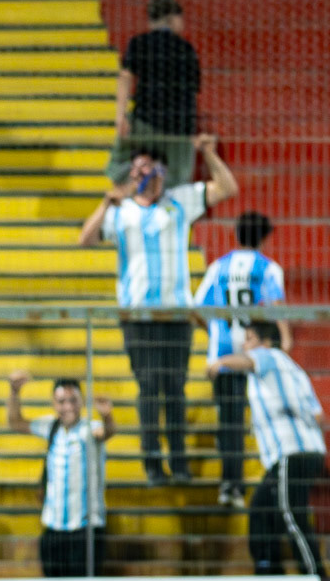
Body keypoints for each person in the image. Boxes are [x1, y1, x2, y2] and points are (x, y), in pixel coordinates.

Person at [79, 136, 238, 484]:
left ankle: (178, 463)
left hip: (177, 316)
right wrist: (106, 203)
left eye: (147, 168)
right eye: (136, 169)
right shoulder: (121, 212)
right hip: (138, 318)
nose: (140, 175)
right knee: (149, 388)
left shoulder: (180, 201)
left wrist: (208, 153)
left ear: (162, 171)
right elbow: (85, 239)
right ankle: (152, 463)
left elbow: (227, 188)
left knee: (175, 389)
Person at [209, 323, 325, 576]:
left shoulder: (270, 356)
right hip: (305, 451)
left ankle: (317, 580)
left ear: (266, 342)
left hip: (290, 451)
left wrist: (219, 363)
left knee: (291, 515)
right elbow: (319, 416)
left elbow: (247, 361)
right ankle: (270, 574)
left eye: (249, 339)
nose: (244, 345)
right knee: (261, 509)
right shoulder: (293, 370)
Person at [195, 212, 290, 508]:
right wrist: (285, 339)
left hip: (223, 355)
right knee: (266, 415)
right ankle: (274, 484)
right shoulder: (268, 268)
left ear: (236, 234)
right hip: (256, 353)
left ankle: (231, 487)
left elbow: (197, 306)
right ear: (264, 238)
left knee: (231, 422)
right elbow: (275, 306)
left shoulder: (218, 267)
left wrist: (214, 331)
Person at [7, 373, 116, 578]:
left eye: (73, 400)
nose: (68, 407)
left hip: (85, 530)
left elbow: (107, 432)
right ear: (53, 403)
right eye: (62, 401)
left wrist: (107, 416)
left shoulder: (90, 429)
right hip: (54, 529)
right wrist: (14, 391)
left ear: (81, 402)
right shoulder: (50, 427)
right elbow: (15, 422)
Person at [108, 0, 200, 189]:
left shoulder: (139, 43)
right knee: (179, 180)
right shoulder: (186, 49)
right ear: (172, 18)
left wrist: (120, 116)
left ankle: (124, 194)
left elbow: (125, 77)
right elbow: (192, 92)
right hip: (178, 129)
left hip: (145, 122)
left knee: (120, 162)